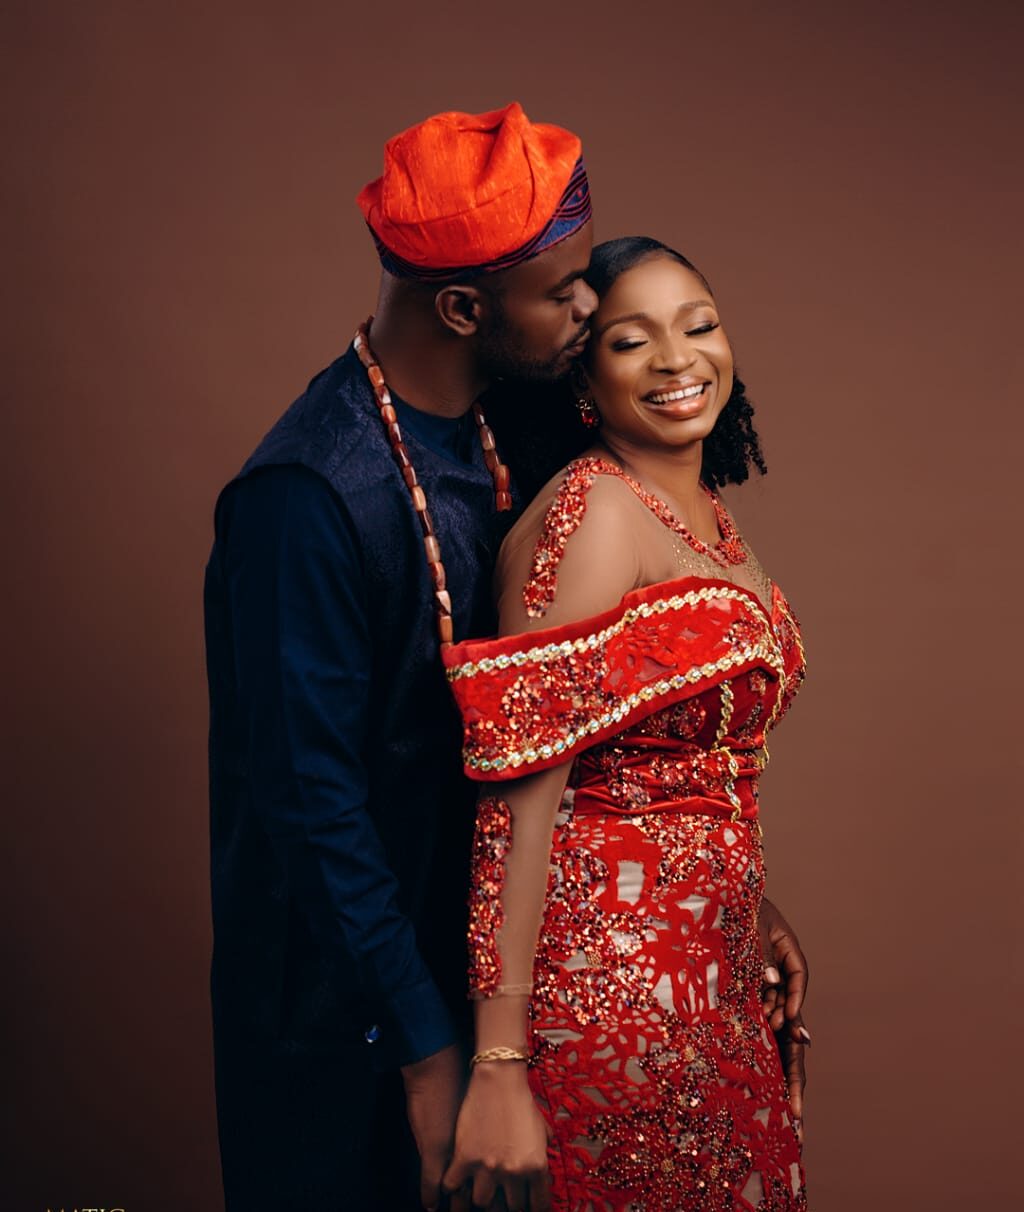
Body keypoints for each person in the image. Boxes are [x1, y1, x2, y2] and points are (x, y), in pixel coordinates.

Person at [441, 237, 810, 1211]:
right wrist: (498, 1064)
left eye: (699, 325)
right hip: (609, 1006)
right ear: (582, 376)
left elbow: (668, 768)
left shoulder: (703, 511)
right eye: (631, 340)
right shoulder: (596, 513)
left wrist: (748, 912)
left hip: (711, 992)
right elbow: (518, 806)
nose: (678, 359)